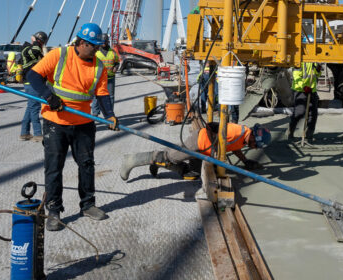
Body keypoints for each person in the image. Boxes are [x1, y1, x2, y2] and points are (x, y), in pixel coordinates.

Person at [25, 22, 116, 229]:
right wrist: (49, 96)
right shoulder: (59, 55)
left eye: (98, 47)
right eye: (93, 46)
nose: (96, 50)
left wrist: (110, 115)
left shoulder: (99, 66)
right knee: (54, 167)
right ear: (82, 42)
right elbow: (33, 76)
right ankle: (54, 210)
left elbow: (102, 94)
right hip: (55, 122)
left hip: (83, 123)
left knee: (86, 164)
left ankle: (88, 204)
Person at [119, 121, 271, 181]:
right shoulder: (236, 131)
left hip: (204, 152)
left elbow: (235, 147)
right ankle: (132, 160)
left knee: (192, 175)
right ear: (254, 139)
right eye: (255, 146)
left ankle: (159, 164)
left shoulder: (244, 139)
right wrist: (213, 152)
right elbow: (211, 126)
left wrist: (245, 161)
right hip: (197, 142)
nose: (254, 149)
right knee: (168, 156)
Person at [19, 31, 48, 141]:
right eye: (40, 42)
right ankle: (37, 134)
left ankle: (24, 132)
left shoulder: (37, 50)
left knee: (30, 107)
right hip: (31, 83)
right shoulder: (27, 49)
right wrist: (36, 41)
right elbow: (35, 51)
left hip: (34, 82)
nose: (40, 45)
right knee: (35, 107)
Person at [289, 61, 321, 141]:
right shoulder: (299, 61)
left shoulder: (315, 61)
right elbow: (296, 76)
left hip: (312, 90)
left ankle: (309, 135)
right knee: (299, 112)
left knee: (313, 114)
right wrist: (304, 87)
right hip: (300, 90)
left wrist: (318, 70)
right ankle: (290, 133)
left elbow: (317, 75)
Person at [94, 34, 120, 120]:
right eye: (102, 42)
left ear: (107, 42)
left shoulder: (113, 52)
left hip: (110, 78)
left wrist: (116, 67)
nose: (103, 44)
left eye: (105, 42)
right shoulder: (96, 52)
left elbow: (117, 62)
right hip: (98, 78)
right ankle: (95, 113)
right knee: (96, 96)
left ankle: (110, 115)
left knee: (111, 97)